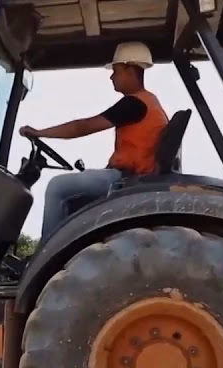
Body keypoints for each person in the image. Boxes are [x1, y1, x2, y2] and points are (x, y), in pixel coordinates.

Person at [19, 41, 169, 239]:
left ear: (130, 70)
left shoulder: (134, 104)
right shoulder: (149, 102)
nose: (111, 76)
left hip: (126, 179)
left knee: (57, 188)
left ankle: (45, 258)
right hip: (130, 177)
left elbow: (83, 126)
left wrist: (39, 133)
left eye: (115, 71)